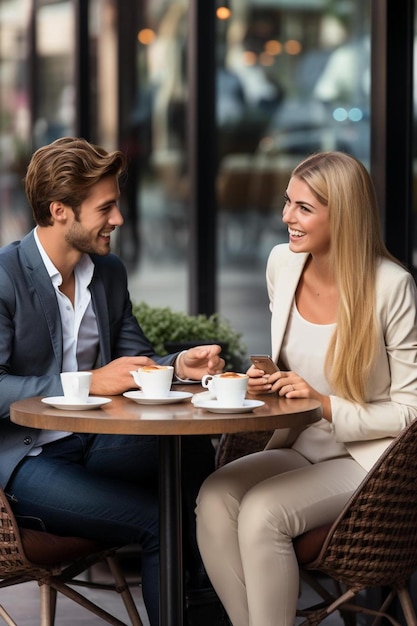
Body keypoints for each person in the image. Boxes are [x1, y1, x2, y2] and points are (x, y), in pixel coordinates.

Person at [0, 136, 225, 626]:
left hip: (95, 446)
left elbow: (133, 361)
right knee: (157, 519)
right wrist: (85, 381)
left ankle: (204, 600)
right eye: (106, 207)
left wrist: (179, 364)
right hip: (25, 462)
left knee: (190, 450)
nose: (119, 219)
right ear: (60, 210)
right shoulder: (5, 276)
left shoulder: (108, 272)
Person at [195, 151, 417, 626]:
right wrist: (267, 382)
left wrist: (324, 404)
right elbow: (300, 369)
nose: (286, 218)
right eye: (287, 203)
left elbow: (410, 411)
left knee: (262, 511)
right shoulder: (283, 264)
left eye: (303, 208)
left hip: (368, 459)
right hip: (302, 444)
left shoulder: (392, 286)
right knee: (215, 494)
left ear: (344, 214)